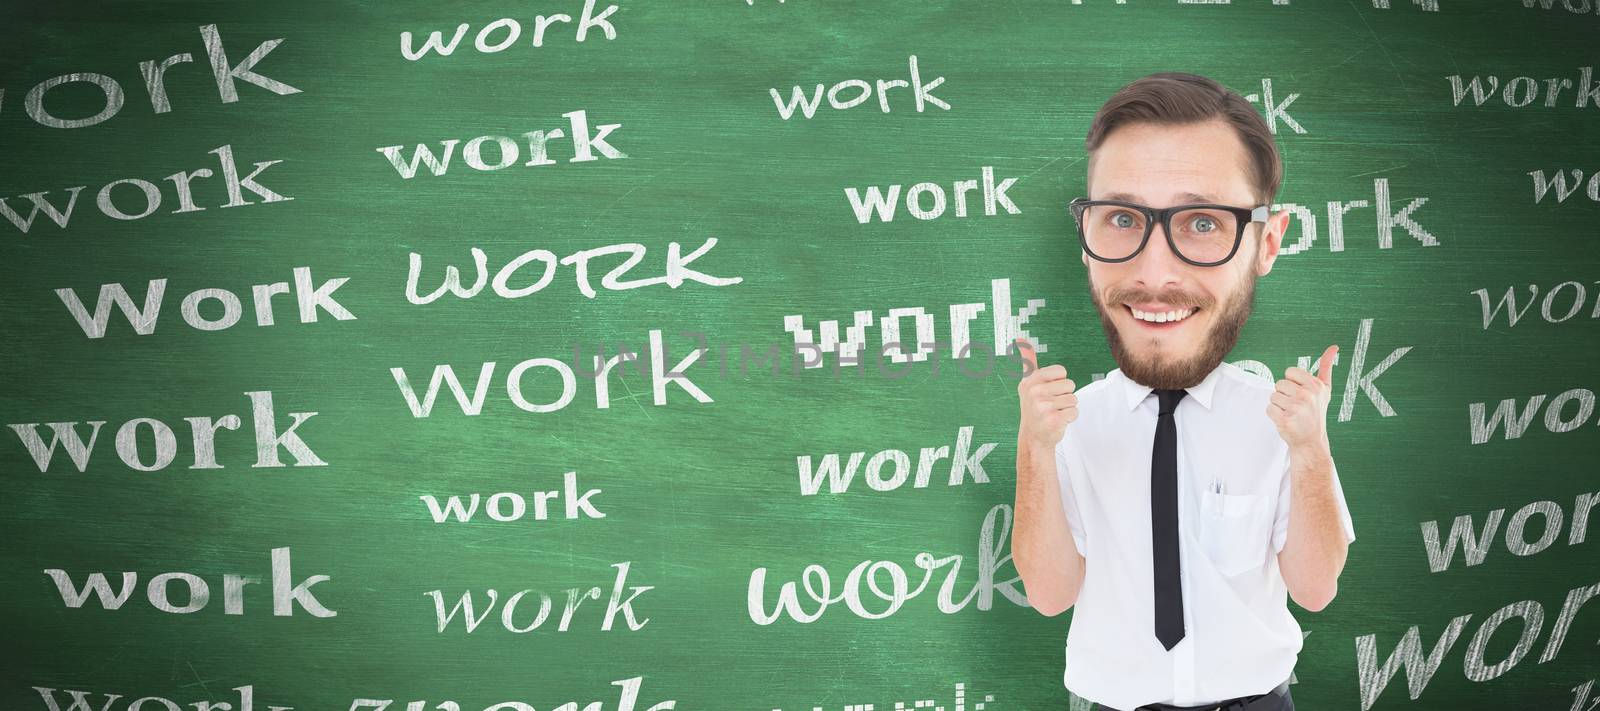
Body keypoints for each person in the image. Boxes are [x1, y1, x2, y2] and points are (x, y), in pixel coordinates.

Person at [1010, 72, 1356, 711]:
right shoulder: (1072, 423)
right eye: (1120, 218)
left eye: (1202, 222)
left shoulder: (1275, 419)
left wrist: (1310, 449)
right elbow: (1049, 593)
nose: (1154, 273)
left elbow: (1315, 589)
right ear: (1085, 240)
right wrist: (1035, 447)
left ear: (1267, 243)